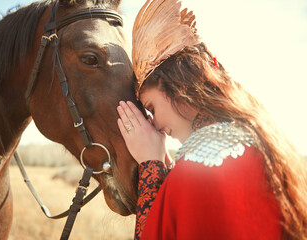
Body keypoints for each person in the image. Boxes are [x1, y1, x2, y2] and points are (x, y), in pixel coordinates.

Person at [116, 0, 307, 239]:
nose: (153, 123)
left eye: (151, 107)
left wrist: (151, 166)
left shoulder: (196, 169)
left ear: (179, 86)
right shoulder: (260, 139)